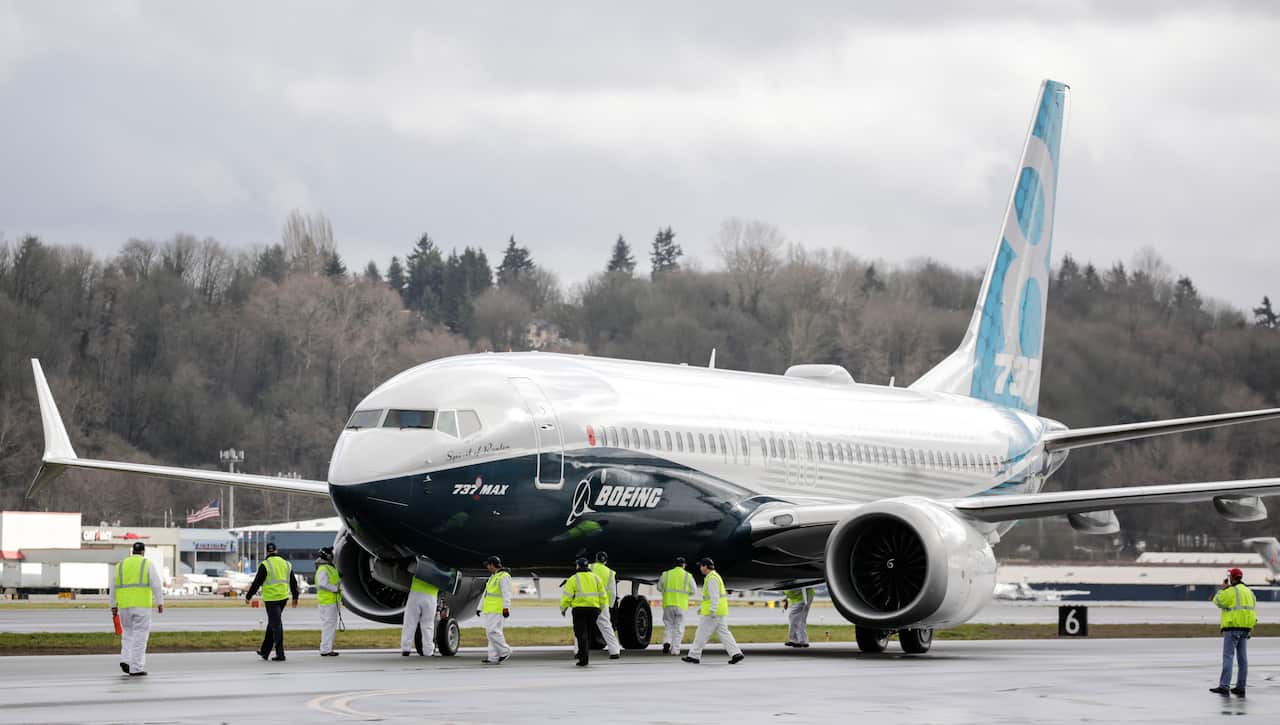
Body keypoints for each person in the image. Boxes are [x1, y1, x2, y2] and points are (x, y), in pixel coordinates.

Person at [109, 541, 163, 676]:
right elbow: (156, 584)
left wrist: (113, 606)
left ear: (132, 551)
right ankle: (136, 668)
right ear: (143, 552)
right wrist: (160, 602)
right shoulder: (147, 564)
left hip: (124, 607)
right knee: (140, 637)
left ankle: (125, 660)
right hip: (141, 606)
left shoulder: (120, 565)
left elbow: (113, 587)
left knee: (127, 635)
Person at [244, 541, 299, 661]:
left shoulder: (265, 564)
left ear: (267, 552)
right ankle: (265, 651)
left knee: (276, 625)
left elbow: (257, 583)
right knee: (273, 623)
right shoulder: (286, 564)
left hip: (271, 599)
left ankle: (280, 653)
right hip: (283, 598)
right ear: (276, 551)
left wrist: (248, 596)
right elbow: (293, 581)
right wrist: (295, 596)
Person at [683, 558, 744, 665]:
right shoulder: (715, 576)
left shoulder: (711, 578)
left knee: (701, 633)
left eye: (701, 566)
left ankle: (693, 656)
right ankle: (736, 654)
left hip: (712, 613)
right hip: (719, 611)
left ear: (706, 566)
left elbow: (714, 596)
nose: (700, 568)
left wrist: (712, 610)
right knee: (724, 633)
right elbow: (711, 597)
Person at [1210, 567, 1257, 697]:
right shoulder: (1249, 592)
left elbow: (1217, 601)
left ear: (1232, 578)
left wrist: (1222, 589)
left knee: (1228, 657)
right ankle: (1240, 687)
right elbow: (1252, 610)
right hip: (1246, 629)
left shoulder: (1231, 591)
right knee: (1243, 659)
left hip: (1232, 628)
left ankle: (1224, 686)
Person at [561, 557, 607, 666]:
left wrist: (563, 608)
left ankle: (583, 659)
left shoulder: (573, 579)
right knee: (588, 634)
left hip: (579, 610)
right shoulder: (596, 578)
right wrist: (602, 608)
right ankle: (584, 656)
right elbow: (603, 595)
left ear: (578, 566)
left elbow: (567, 596)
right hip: (594, 610)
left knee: (581, 634)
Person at [478, 555, 512, 664]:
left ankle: (505, 651)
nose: (487, 567)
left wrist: (506, 608)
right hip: (490, 609)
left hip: (498, 609)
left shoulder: (504, 576)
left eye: (488, 565)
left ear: (492, 565)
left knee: (492, 631)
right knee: (491, 633)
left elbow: (507, 593)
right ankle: (493, 657)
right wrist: (479, 607)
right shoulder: (493, 577)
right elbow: (486, 594)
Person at [657, 556, 695, 655]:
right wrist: (685, 595)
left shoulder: (666, 574)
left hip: (668, 604)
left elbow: (659, 587)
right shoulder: (688, 576)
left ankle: (666, 642)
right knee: (679, 628)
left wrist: (666, 593)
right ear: (683, 565)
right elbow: (693, 590)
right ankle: (675, 650)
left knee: (668, 625)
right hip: (681, 605)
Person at [589, 552, 622, 660]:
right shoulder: (610, 573)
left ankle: (578, 651)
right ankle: (614, 651)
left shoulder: (589, 567)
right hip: (602, 604)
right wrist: (611, 605)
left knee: (581, 628)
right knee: (607, 628)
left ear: (595, 559)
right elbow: (612, 592)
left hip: (587, 603)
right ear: (606, 561)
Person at [401, 569, 439, 657]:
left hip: (416, 594)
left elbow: (409, 569)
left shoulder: (420, 561)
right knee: (428, 625)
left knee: (410, 623)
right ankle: (428, 651)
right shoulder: (439, 564)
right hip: (431, 596)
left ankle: (406, 649)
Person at [314, 547, 341, 657]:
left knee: (330, 625)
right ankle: (325, 649)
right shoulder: (324, 569)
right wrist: (335, 589)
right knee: (328, 625)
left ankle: (327, 648)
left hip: (331, 601)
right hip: (328, 601)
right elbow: (322, 583)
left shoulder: (328, 568)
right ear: (328, 556)